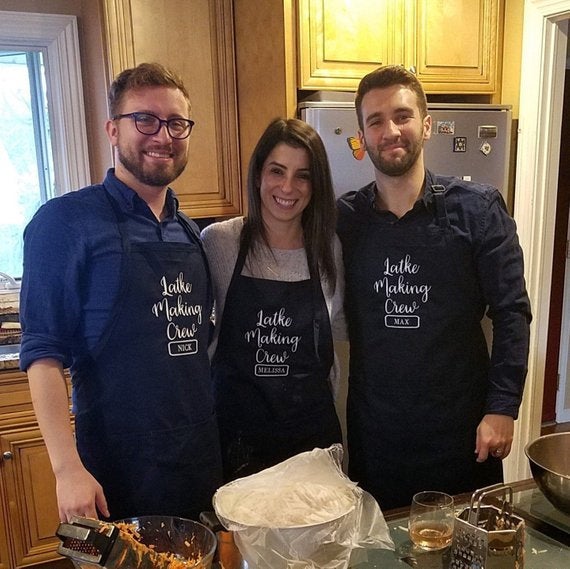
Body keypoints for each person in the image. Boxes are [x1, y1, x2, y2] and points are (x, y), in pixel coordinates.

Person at [19, 62, 223, 522]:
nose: (162, 136)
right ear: (113, 129)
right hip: (115, 468)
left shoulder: (190, 230)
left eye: (176, 123)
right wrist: (66, 468)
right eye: (145, 120)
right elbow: (42, 354)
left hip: (196, 459)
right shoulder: (64, 222)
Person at [337, 65, 532, 511]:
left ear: (426, 126)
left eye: (402, 116)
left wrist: (502, 407)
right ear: (362, 138)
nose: (390, 131)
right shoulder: (344, 220)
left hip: (463, 434)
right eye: (375, 121)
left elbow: (511, 312)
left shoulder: (479, 210)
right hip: (375, 437)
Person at [201, 118, 346, 481]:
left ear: (317, 185)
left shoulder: (328, 248)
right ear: (258, 175)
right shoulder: (220, 243)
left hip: (311, 445)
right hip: (237, 444)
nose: (287, 187)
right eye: (277, 171)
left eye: (303, 175)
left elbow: (333, 345)